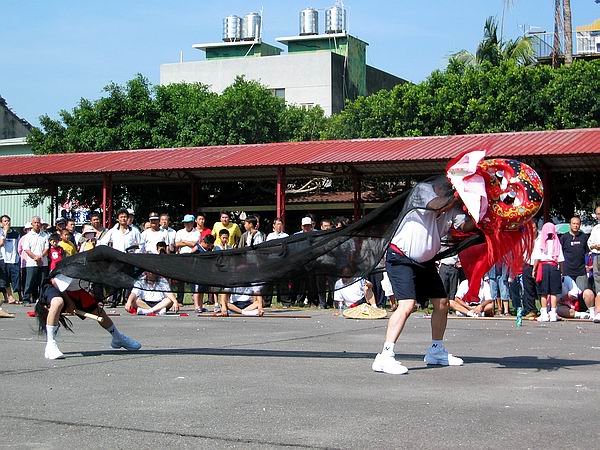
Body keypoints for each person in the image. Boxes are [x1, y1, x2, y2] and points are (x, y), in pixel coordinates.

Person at [372, 179, 474, 375]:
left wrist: (484, 214)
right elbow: (437, 205)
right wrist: (459, 196)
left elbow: (465, 226)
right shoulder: (423, 190)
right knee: (407, 305)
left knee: (442, 303)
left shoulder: (453, 207)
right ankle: (385, 356)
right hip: (400, 257)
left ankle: (436, 351)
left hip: (424, 262)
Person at [35, 273, 141, 360]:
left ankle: (118, 338)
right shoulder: (76, 269)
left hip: (72, 289)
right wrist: (69, 302)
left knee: (99, 312)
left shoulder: (96, 272)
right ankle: (50, 345)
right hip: (53, 286)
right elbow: (55, 282)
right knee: (58, 302)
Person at [532, 222, 564, 322]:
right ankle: (553, 313)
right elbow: (561, 259)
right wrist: (561, 272)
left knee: (543, 292)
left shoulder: (541, 242)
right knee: (554, 292)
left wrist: (534, 270)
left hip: (543, 267)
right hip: (554, 267)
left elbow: (537, 257)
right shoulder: (557, 242)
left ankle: (544, 314)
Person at [21, 216, 50, 305]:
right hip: (31, 263)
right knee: (29, 282)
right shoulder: (28, 236)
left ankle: (42, 299)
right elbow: (26, 249)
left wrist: (40, 256)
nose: (37, 224)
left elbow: (47, 248)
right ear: (32, 224)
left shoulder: (45, 235)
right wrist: (35, 257)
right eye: (35, 223)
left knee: (42, 282)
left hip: (43, 262)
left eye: (38, 223)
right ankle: (26, 299)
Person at [560, 216, 591, 293]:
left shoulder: (584, 237)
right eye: (573, 223)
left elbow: (588, 253)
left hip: (581, 271)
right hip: (567, 271)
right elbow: (560, 254)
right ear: (570, 225)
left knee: (582, 293)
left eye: (577, 224)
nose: (575, 225)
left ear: (580, 225)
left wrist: (588, 265)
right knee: (569, 294)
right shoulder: (564, 237)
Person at [192, 234, 215, 313]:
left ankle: (201, 306)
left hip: (204, 272)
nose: (210, 247)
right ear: (206, 243)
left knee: (202, 290)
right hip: (196, 272)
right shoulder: (197, 248)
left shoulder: (208, 250)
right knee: (196, 290)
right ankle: (196, 306)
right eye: (209, 245)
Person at [1, 215, 21, 304]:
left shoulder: (16, 233)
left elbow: (19, 247)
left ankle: (18, 297)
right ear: (1, 223)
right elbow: (1, 243)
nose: (7, 223)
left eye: (8, 221)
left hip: (14, 260)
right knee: (5, 280)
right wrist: (4, 232)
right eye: (5, 221)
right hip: (3, 259)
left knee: (16, 279)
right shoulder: (1, 232)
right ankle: (9, 297)